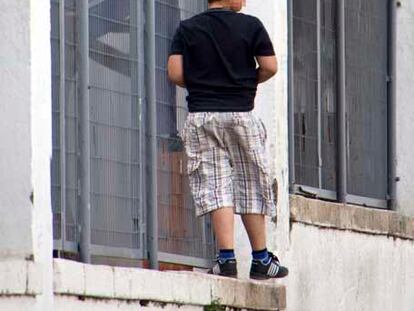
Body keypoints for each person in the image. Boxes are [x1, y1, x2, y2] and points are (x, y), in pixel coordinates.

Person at [167, 0, 288, 280]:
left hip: (202, 116)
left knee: (215, 183)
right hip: (240, 115)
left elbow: (175, 73)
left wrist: (203, 83)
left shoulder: (187, 28)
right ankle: (261, 259)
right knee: (251, 182)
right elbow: (269, 66)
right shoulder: (251, 25)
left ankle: (226, 259)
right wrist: (245, 81)